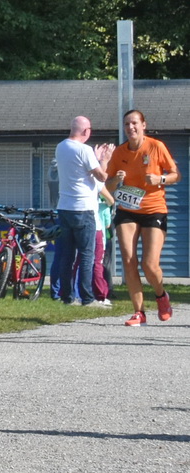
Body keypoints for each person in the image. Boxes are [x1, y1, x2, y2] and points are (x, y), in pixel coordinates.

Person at [106, 108, 179, 327]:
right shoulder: (120, 153)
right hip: (127, 210)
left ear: (143, 125)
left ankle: (161, 296)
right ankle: (139, 312)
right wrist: (116, 180)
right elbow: (107, 185)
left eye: (135, 123)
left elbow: (176, 174)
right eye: (127, 124)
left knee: (149, 264)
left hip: (154, 209)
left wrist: (160, 179)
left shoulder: (156, 147)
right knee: (129, 260)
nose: (131, 128)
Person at [51, 116, 113, 308]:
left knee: (67, 255)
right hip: (84, 209)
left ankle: (67, 297)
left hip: (64, 207)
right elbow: (101, 176)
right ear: (86, 131)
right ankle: (87, 298)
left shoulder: (61, 147)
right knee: (87, 255)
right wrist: (104, 160)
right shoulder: (84, 150)